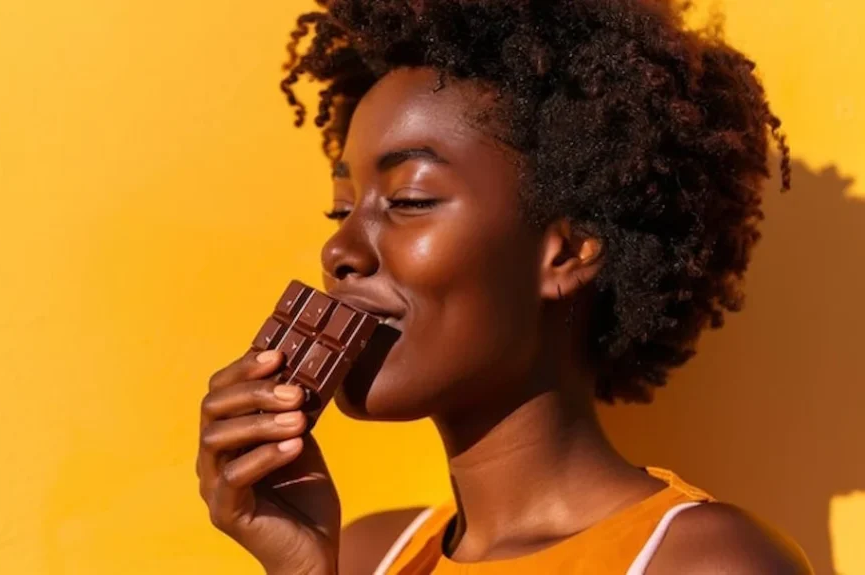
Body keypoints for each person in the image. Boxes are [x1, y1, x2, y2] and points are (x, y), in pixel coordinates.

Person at [196, 0, 812, 573]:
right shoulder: (364, 554)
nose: (340, 251)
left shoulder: (701, 562)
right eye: (341, 209)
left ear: (567, 251)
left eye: (410, 200)